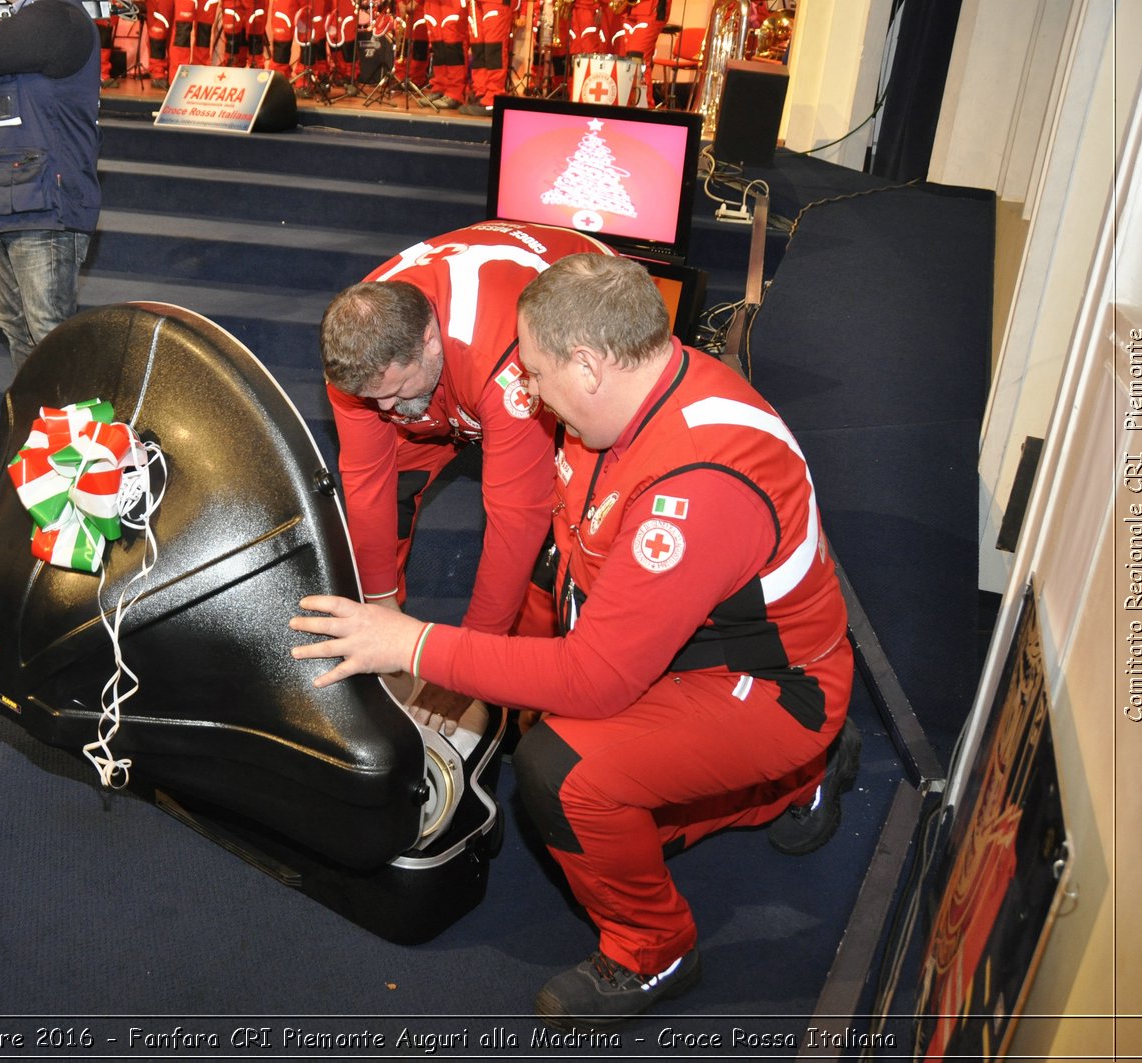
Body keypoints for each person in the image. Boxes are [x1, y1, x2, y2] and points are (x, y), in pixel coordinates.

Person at [292, 253, 860, 1030]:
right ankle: (788, 785)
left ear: (587, 364)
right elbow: (564, 562)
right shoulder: (618, 408)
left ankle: (652, 949)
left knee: (563, 774)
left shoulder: (700, 479)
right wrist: (503, 672)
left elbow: (596, 679)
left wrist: (418, 644)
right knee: (551, 723)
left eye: (533, 371)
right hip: (688, 645)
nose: (521, 391)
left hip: (770, 685)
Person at [318, 221, 615, 662]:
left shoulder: (507, 367)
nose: (385, 411)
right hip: (453, 378)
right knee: (388, 487)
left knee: (560, 525)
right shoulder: (359, 358)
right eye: (372, 399)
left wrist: (472, 660)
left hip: (570, 314)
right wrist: (380, 610)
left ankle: (530, 675)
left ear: (429, 342)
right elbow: (368, 484)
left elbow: (517, 519)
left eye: (395, 393)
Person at [0, 0, 102, 480]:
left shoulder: (56, 19)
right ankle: (37, 455)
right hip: (11, 200)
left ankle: (79, 470)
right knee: (17, 328)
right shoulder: (25, 26)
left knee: (49, 335)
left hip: (45, 208)